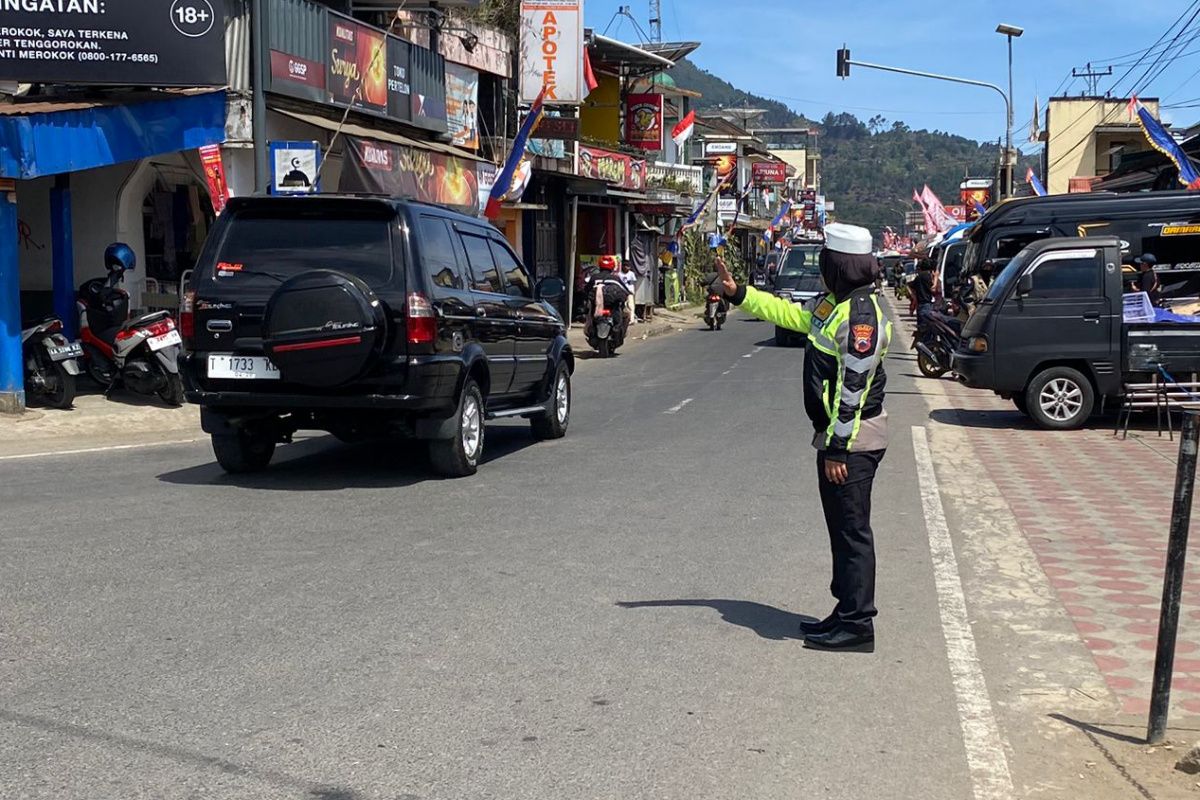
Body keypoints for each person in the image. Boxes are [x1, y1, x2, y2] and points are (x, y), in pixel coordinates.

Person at [714, 222, 891, 651]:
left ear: (839, 264)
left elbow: (853, 389)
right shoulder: (837, 304)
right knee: (842, 531)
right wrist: (740, 294)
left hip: (851, 442)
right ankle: (844, 611)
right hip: (838, 439)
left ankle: (857, 625)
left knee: (852, 533)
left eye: (826, 260)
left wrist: (836, 448)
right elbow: (792, 316)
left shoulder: (861, 316)